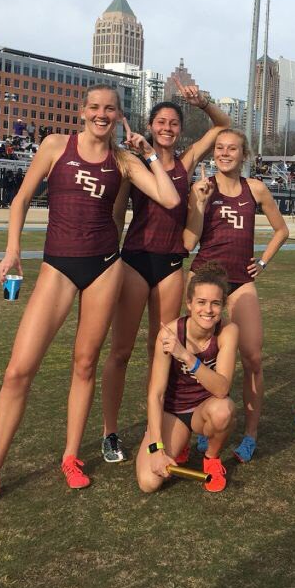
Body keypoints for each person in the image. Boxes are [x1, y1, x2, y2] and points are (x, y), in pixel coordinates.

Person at [0, 85, 180, 515]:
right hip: (58, 266)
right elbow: (20, 200)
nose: (101, 114)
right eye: (95, 107)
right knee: (18, 371)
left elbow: (169, 198)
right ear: (82, 112)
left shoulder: (124, 160)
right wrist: (13, 250)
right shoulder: (56, 145)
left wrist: (147, 151)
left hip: (105, 267)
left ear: (118, 115)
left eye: (109, 109)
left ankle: (71, 456)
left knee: (84, 365)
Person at [99, 86, 230, 462]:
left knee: (168, 350)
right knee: (121, 351)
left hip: (171, 264)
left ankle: (170, 424)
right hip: (135, 261)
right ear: (151, 127)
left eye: (174, 122)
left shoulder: (185, 163)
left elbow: (223, 126)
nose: (168, 127)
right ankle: (110, 432)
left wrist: (203, 102)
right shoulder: (133, 163)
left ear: (180, 129)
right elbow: (117, 213)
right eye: (161, 122)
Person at [184, 129, 289, 463]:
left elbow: (281, 230)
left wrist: (262, 261)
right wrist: (199, 201)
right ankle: (204, 425)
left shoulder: (254, 189)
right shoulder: (202, 187)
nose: (224, 153)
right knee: (198, 358)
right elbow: (191, 239)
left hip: (241, 282)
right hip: (204, 282)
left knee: (253, 358)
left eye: (232, 149)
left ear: (243, 155)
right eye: (219, 148)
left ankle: (250, 435)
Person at [135, 262, 238, 494]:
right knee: (148, 482)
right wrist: (156, 447)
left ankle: (211, 457)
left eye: (215, 303)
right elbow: (156, 394)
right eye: (201, 302)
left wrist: (185, 355)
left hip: (204, 409)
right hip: (173, 412)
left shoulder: (228, 332)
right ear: (189, 304)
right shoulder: (169, 333)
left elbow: (222, 389)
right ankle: (177, 446)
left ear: (222, 306)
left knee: (224, 410)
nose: (208, 310)